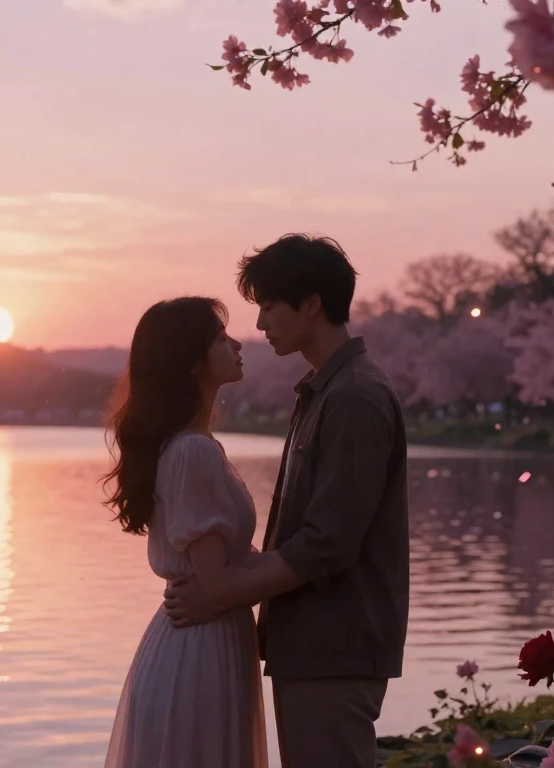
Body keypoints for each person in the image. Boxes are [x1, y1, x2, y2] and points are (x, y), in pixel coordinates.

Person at [163, 234, 410, 768]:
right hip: (314, 643)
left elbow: (328, 543)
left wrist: (222, 594)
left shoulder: (353, 397)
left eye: (269, 306)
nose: (259, 325)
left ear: (312, 304)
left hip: (335, 643)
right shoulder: (324, 390)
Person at [102, 296, 269, 768]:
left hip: (202, 640)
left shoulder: (190, 445)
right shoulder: (192, 451)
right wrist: (308, 563)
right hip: (201, 647)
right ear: (192, 362)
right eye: (221, 339)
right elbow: (215, 585)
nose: (238, 344)